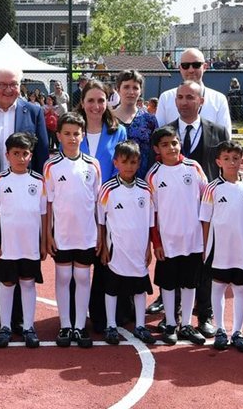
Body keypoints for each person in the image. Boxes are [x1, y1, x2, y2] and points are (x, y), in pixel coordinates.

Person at [0, 66, 50, 335]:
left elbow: (41, 156)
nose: (7, 89)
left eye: (12, 84)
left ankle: (17, 318)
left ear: (20, 85)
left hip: (24, 197)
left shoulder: (34, 112)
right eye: (2, 84)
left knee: (22, 256)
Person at [165, 80, 230, 335]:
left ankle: (205, 314)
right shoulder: (166, 132)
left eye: (190, 97)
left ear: (201, 101)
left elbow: (224, 167)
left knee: (206, 262)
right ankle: (173, 316)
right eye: (180, 97)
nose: (184, 102)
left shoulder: (218, 131)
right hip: (175, 210)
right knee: (173, 261)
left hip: (208, 209)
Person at [146, 126, 208, 347]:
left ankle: (187, 324)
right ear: (157, 149)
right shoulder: (153, 175)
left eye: (174, 142)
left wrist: (205, 237)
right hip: (168, 241)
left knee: (190, 284)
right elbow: (152, 213)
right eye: (165, 144)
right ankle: (171, 323)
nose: (171, 148)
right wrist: (157, 242)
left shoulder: (193, 167)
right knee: (169, 284)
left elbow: (207, 199)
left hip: (193, 239)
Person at [44, 113, 102, 348]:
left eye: (76, 133)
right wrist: (47, 234)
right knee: (64, 277)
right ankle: (65, 324)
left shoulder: (92, 164)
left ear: (83, 135)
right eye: (66, 133)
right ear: (58, 136)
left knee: (82, 277)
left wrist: (100, 232)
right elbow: (47, 204)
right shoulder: (51, 166)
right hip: (62, 235)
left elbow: (98, 202)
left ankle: (80, 326)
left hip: (86, 235)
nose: (72, 138)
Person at [0, 132, 46, 349]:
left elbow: (43, 214)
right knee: (7, 283)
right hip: (8, 246)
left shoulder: (39, 181)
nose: (21, 158)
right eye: (16, 154)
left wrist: (43, 242)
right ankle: (5, 327)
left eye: (25, 154)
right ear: (7, 155)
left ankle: (29, 327)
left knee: (28, 283)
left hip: (30, 245)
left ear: (31, 155)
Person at [199, 140, 243, 353]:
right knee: (218, 286)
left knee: (240, 289)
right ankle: (221, 330)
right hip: (220, 248)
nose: (231, 163)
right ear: (218, 162)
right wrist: (205, 247)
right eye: (226, 159)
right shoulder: (212, 188)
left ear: (242, 161)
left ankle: (238, 332)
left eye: (235, 159)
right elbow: (205, 220)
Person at [97, 141, 156, 346]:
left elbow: (150, 222)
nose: (129, 166)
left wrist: (148, 247)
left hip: (138, 248)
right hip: (116, 248)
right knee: (112, 288)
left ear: (139, 163)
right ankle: (111, 325)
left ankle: (140, 325)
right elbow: (101, 221)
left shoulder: (145, 189)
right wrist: (103, 246)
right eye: (124, 162)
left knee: (139, 289)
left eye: (133, 162)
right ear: (116, 163)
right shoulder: (108, 189)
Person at [155, 48, 233, 135]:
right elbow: (159, 136)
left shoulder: (219, 99)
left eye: (196, 65)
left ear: (205, 67)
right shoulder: (166, 98)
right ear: (180, 68)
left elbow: (225, 138)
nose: (191, 70)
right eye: (185, 65)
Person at [112, 70, 160, 179]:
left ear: (140, 91)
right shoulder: (108, 119)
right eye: (126, 87)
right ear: (118, 89)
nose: (131, 91)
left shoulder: (149, 119)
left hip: (143, 181)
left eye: (135, 88)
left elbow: (155, 151)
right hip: (113, 182)